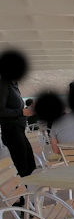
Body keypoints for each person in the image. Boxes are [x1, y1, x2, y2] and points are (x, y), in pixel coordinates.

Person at [0, 76, 36, 205]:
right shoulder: (4, 84)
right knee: (24, 168)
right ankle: (27, 203)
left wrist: (28, 111)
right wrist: (22, 112)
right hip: (12, 132)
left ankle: (28, 201)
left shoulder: (13, 85)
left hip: (19, 131)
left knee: (30, 166)